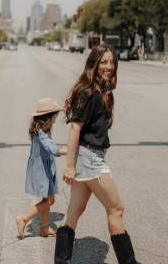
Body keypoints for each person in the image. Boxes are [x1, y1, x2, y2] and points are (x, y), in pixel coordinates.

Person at [54, 45, 139, 264]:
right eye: (104, 62)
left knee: (75, 210)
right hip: (90, 159)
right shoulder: (89, 92)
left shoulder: (99, 91)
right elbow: (75, 129)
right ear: (94, 64)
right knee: (116, 209)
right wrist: (70, 165)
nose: (109, 66)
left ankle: (61, 260)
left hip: (88, 156)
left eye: (112, 62)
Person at [16, 98, 67, 239]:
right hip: (41, 170)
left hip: (43, 168)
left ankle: (44, 229)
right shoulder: (42, 132)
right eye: (55, 114)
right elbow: (52, 149)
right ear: (49, 117)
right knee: (49, 201)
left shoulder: (40, 128)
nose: (57, 117)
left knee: (47, 199)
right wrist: (69, 150)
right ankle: (24, 219)